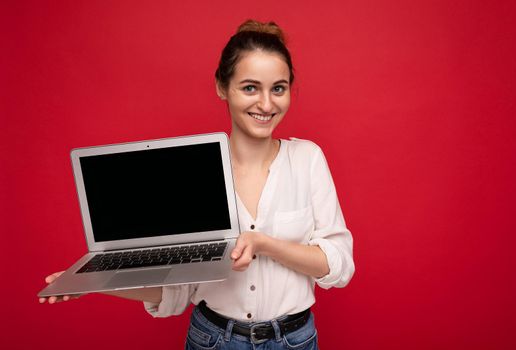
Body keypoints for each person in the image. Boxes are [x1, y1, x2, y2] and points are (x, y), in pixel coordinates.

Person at [40, 20, 355, 349]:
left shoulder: (307, 158)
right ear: (222, 86)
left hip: (294, 340)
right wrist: (94, 282)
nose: (266, 104)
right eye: (250, 88)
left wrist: (264, 245)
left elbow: (338, 265)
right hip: (214, 340)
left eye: (278, 88)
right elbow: (177, 291)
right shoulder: (192, 174)